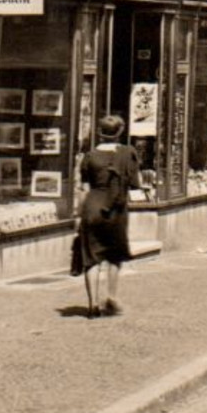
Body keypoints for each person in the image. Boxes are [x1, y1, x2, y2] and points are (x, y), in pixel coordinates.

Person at [72, 114, 140, 317]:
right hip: (116, 209)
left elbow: (83, 188)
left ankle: (93, 305)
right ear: (119, 133)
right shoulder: (128, 153)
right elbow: (136, 183)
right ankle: (111, 297)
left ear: (100, 133)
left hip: (92, 206)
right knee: (114, 255)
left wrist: (79, 214)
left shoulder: (89, 156)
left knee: (91, 258)